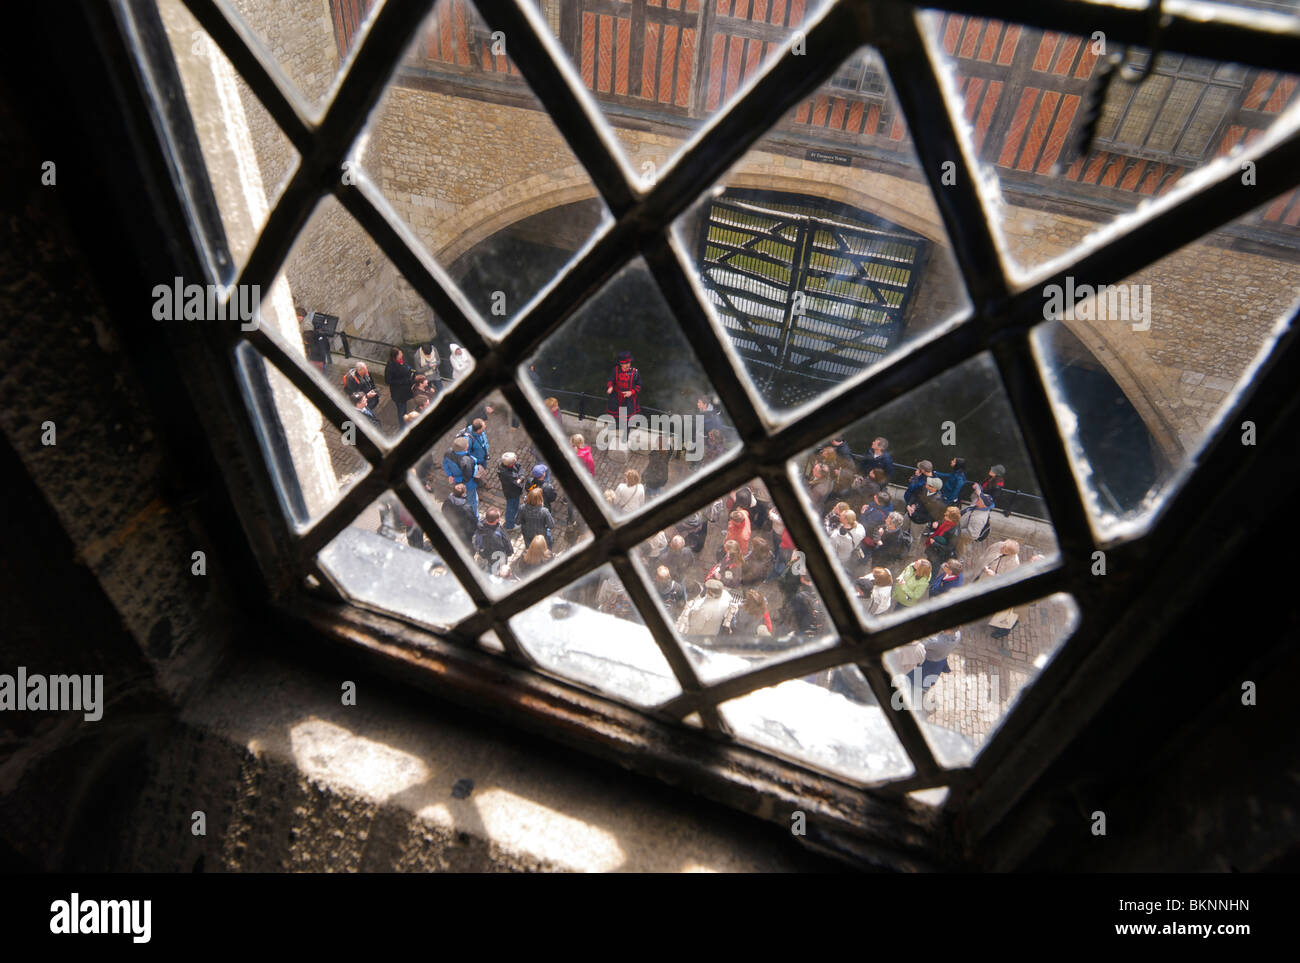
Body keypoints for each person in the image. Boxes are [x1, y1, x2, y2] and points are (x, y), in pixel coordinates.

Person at [443, 436, 480, 517]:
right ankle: (475, 517)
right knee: (473, 501)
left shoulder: (448, 452)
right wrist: (476, 466)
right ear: (466, 447)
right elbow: (468, 477)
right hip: (468, 486)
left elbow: (445, 464)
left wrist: (450, 476)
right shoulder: (468, 460)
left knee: (459, 496)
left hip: (455, 483)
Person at [472, 508, 513, 574]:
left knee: (491, 565)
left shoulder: (481, 524)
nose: (500, 518)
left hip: (488, 555)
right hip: (495, 557)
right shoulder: (495, 536)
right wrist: (509, 552)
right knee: (494, 569)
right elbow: (501, 548)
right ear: (496, 520)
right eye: (499, 517)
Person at [605, 351, 641, 423]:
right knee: (613, 420)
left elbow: (639, 385)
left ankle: (625, 431)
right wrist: (610, 387)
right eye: (625, 363)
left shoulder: (635, 372)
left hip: (628, 401)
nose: (628, 365)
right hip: (616, 399)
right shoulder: (615, 370)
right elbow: (610, 380)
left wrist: (631, 392)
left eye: (629, 363)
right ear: (621, 364)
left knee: (626, 422)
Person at [385, 346, 414, 421]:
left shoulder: (403, 359)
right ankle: (403, 426)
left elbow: (407, 367)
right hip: (398, 393)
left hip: (406, 389)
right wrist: (403, 381)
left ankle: (405, 419)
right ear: (396, 355)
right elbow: (388, 381)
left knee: (404, 406)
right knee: (402, 410)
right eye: (400, 353)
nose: (402, 354)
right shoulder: (390, 366)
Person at [498, 452, 525, 531]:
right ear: (511, 464)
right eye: (515, 460)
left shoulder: (503, 464)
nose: (516, 459)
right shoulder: (507, 474)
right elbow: (517, 482)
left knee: (515, 506)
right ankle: (509, 525)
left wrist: (520, 475)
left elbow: (520, 467)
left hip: (513, 491)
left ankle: (515, 516)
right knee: (511, 508)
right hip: (511, 493)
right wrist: (521, 478)